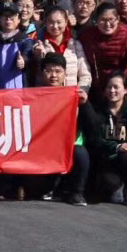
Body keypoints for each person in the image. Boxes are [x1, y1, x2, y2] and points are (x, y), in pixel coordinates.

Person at [79, 71, 127, 207]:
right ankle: (118, 189)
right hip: (108, 160)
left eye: (116, 87)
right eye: (109, 87)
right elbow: (94, 139)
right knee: (107, 183)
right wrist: (116, 147)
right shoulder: (98, 111)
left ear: (126, 90)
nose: (112, 91)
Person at [37, 53, 88, 204]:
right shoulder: (34, 96)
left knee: (80, 153)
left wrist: (85, 105)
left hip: (69, 144)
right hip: (43, 144)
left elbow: (93, 126)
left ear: (65, 73)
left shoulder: (74, 95)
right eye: (48, 71)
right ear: (42, 73)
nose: (53, 75)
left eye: (58, 71)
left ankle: (77, 193)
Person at [78, 0, 127, 89]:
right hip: (94, 86)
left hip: (119, 86)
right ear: (96, 20)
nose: (107, 24)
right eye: (103, 20)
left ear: (117, 19)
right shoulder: (87, 36)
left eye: (111, 20)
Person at [0, 1, 31, 90]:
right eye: (5, 15)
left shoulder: (25, 40)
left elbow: (28, 55)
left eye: (12, 15)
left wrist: (23, 61)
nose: (8, 19)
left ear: (19, 19)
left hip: (17, 91)